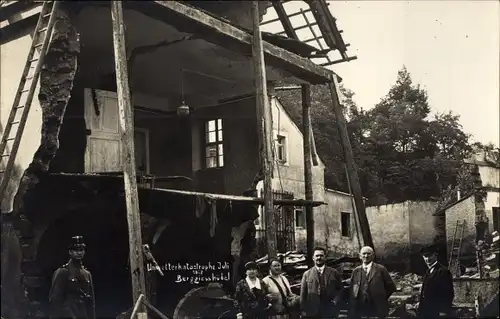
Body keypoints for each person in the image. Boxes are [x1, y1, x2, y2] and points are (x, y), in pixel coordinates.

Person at [49, 236, 95, 319]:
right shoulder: (63, 272)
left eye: (81, 250)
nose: (79, 253)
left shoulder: (87, 274)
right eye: (75, 250)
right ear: (70, 252)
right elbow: (55, 299)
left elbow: (91, 303)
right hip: (67, 314)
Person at [348, 246, 396, 319]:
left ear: (373, 256)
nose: (366, 256)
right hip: (360, 307)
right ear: (360, 256)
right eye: (364, 254)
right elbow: (351, 288)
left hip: (377, 307)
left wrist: (381, 297)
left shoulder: (381, 269)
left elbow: (391, 287)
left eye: (368, 254)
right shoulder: (356, 271)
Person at [300, 247, 343, 318]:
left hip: (329, 309)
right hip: (312, 311)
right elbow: (303, 293)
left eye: (321, 255)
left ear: (325, 257)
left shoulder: (334, 272)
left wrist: (336, 300)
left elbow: (340, 289)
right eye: (317, 256)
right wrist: (302, 309)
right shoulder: (307, 274)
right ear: (313, 258)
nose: (319, 258)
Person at [418, 244, 454, 318]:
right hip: (426, 310)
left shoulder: (443, 272)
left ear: (435, 255)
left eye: (430, 256)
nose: (428, 259)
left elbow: (448, 293)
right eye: (425, 256)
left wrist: (444, 311)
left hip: (437, 311)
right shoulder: (428, 271)